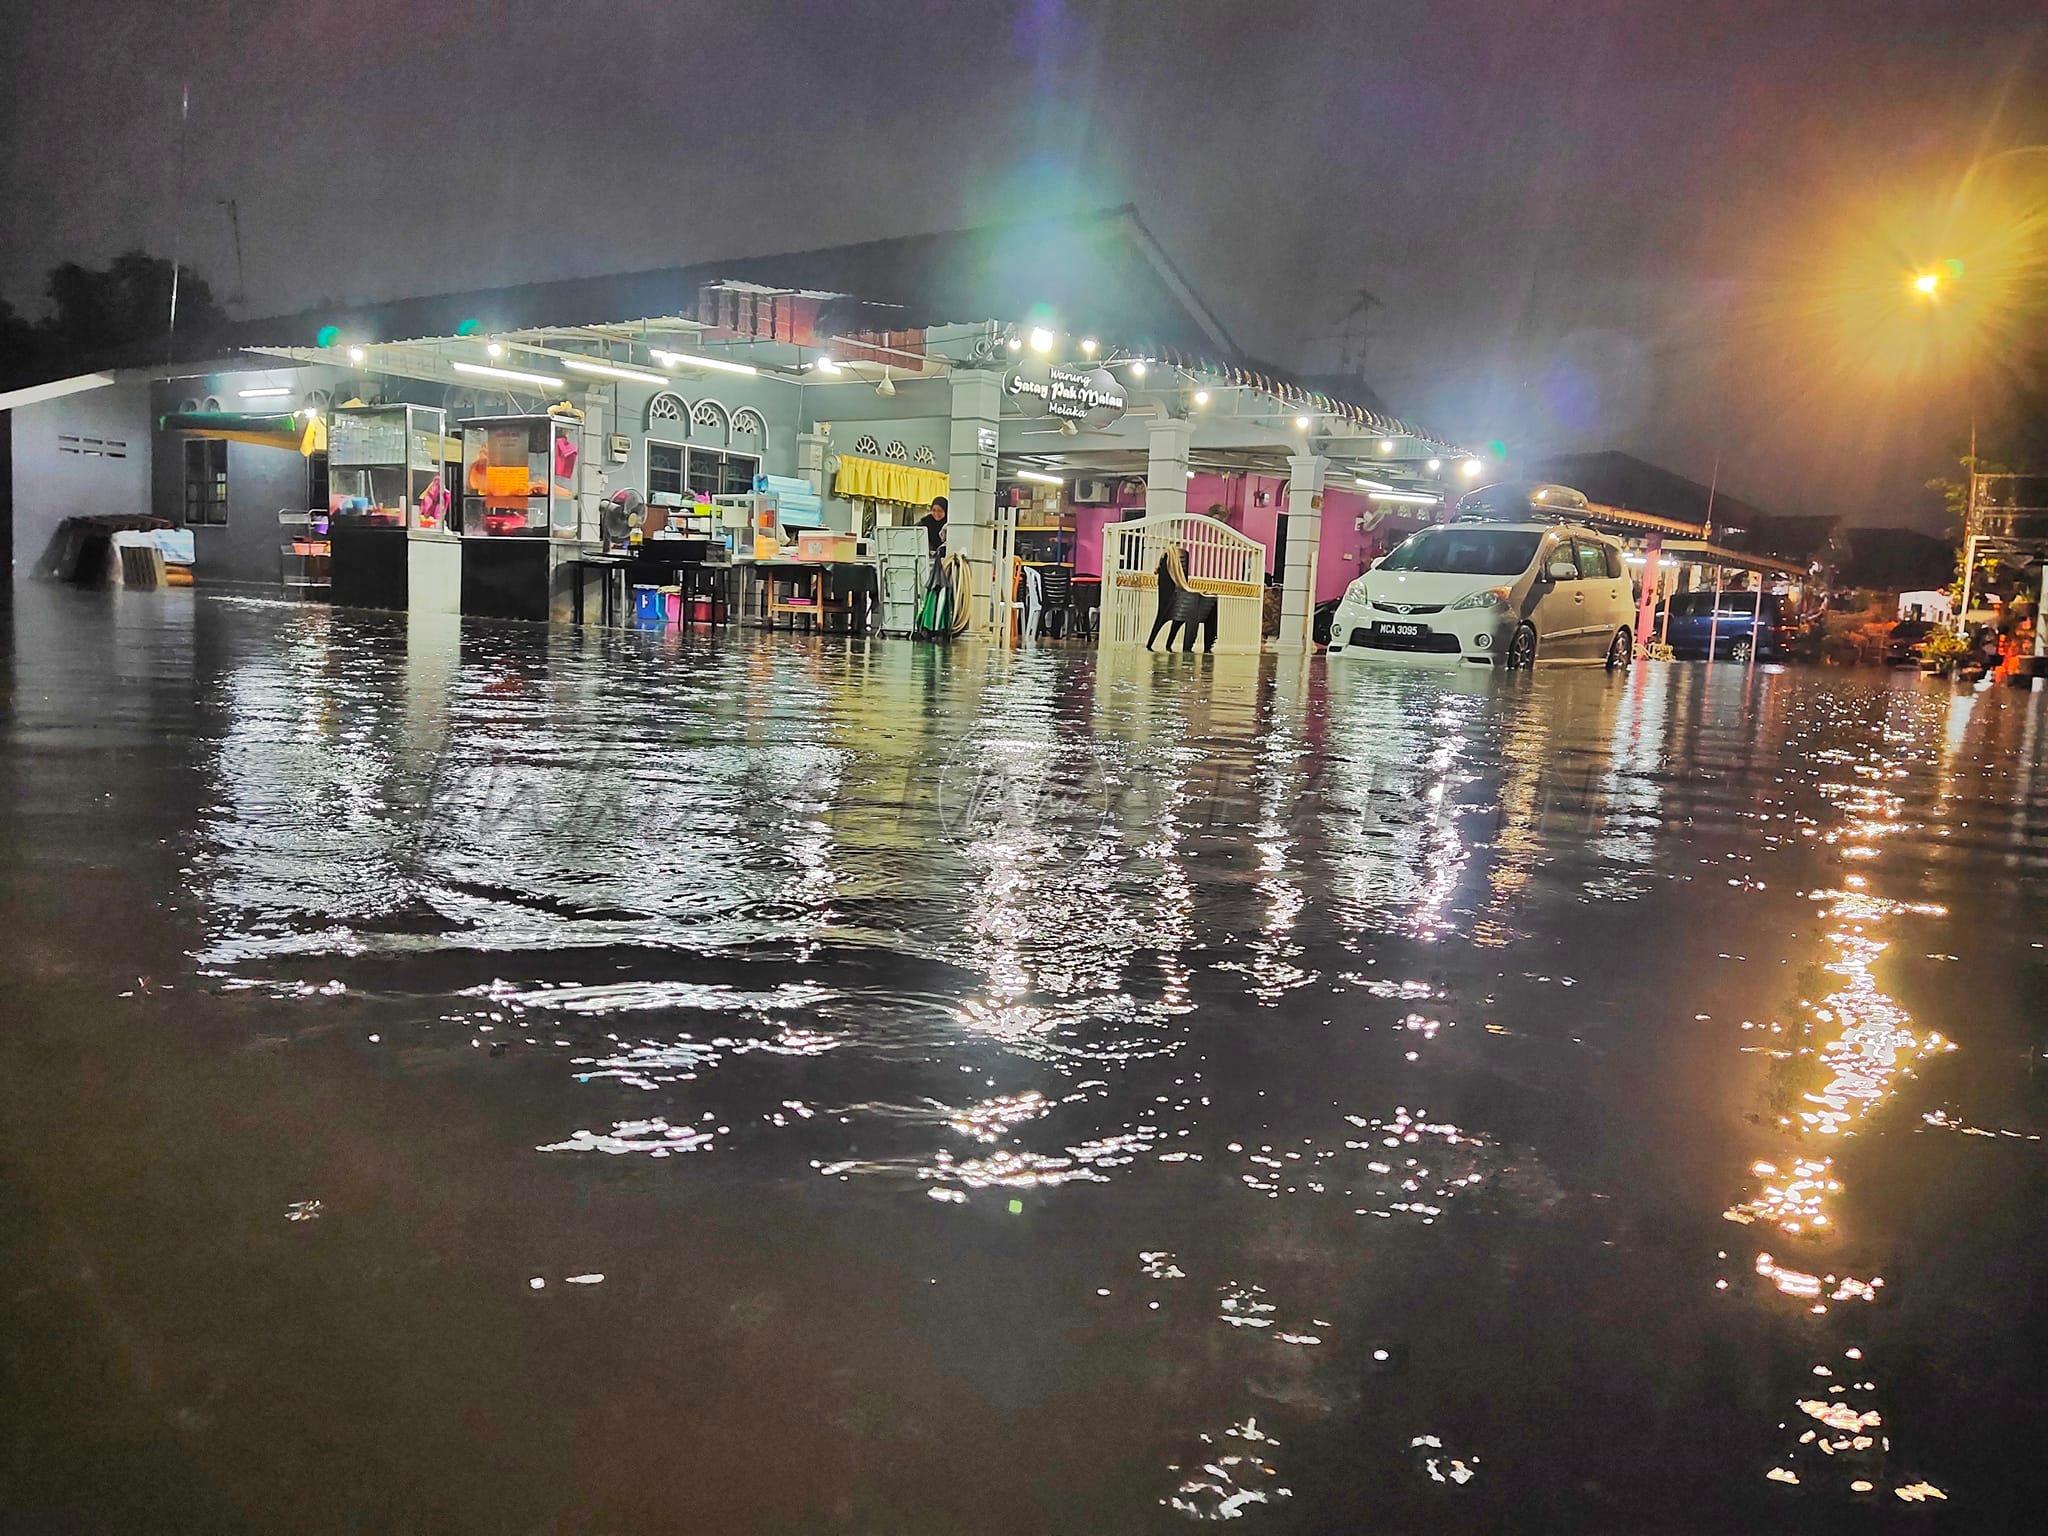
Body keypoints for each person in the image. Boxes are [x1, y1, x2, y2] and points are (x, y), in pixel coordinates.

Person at [1147, 540, 1189, 650]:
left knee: (1181, 615)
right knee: (1162, 614)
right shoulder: (1167, 558)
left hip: (1178, 592)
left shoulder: (1173, 557)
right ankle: (1156, 644)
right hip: (1168, 594)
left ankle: (1168, 645)